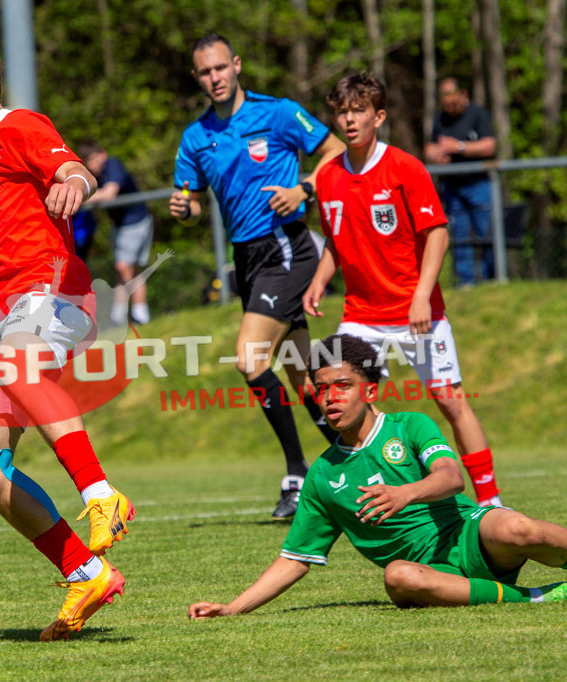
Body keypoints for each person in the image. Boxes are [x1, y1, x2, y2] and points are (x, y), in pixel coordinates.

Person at [187, 334, 567, 618]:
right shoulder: (323, 475)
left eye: (342, 385)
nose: (330, 398)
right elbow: (295, 558)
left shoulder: (409, 426)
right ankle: (541, 597)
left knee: (516, 525)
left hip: (470, 538)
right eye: (322, 389)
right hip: (433, 578)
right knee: (397, 578)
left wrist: (405, 493)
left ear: (370, 390)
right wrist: (233, 608)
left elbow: (453, 477)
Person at [0, 44, 133, 641]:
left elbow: (73, 169)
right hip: (7, 314)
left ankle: (101, 495)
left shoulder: (17, 127)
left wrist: (75, 183)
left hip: (53, 292)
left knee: (17, 365)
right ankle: (86, 572)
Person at [168, 33, 346, 519]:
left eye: (221, 67)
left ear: (237, 65)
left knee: (250, 358)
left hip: (287, 246)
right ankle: (355, 457)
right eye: (206, 72)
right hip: (247, 260)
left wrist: (303, 188)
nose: (215, 78)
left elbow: (334, 151)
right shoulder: (196, 136)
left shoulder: (279, 113)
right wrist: (185, 209)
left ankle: (297, 472)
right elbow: (192, 200)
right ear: (196, 77)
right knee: (303, 373)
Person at [304, 72, 502, 507]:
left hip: (416, 312)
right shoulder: (329, 176)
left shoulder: (404, 167)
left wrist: (421, 297)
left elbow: (438, 234)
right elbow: (335, 240)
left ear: (378, 116)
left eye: (358, 110)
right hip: (361, 315)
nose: (349, 120)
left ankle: (490, 501)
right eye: (342, 112)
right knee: (338, 394)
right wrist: (319, 280)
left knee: (452, 403)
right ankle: (380, 489)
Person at [424, 77, 497, 287]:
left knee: (487, 234)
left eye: (453, 103)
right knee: (460, 236)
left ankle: (493, 278)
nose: (450, 107)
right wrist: (436, 154)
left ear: (462, 94)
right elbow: (430, 147)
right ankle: (466, 282)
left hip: (479, 184)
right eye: (445, 103)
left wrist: (459, 147)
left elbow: (489, 146)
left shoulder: (478, 113)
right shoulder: (441, 119)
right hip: (452, 187)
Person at [80, 140, 157, 325]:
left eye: (94, 159)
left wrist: (78, 198)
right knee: (129, 269)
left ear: (103, 154)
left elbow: (109, 194)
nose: (92, 165)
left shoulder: (113, 165)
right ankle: (137, 314)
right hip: (121, 225)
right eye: (88, 161)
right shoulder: (94, 174)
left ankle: (122, 315)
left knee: (123, 267)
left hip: (134, 223)